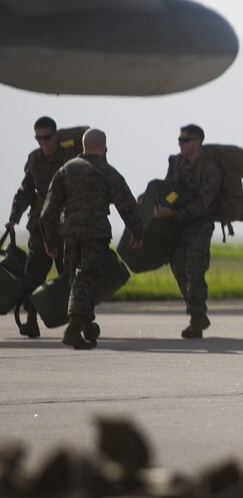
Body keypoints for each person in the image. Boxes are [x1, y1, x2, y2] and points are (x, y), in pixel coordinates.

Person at [39, 129, 143, 350]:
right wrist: (137, 232)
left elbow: (48, 211)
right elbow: (127, 205)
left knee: (75, 281)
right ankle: (73, 329)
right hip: (95, 235)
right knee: (88, 278)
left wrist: (49, 240)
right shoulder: (106, 171)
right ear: (103, 146)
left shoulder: (66, 170)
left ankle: (87, 327)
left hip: (70, 235)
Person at [6, 117, 80, 338]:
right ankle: (31, 320)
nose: (43, 142)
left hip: (65, 226)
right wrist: (13, 217)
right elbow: (25, 190)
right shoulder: (35, 159)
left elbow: (87, 133)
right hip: (40, 227)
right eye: (39, 138)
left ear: (56, 135)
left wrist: (64, 136)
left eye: (47, 137)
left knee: (69, 275)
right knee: (33, 276)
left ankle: (77, 321)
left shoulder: (70, 154)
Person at [155, 124, 222, 340]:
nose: (181, 144)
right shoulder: (177, 163)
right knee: (178, 269)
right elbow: (167, 190)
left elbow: (204, 203)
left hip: (200, 226)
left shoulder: (210, 167)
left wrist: (173, 213)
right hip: (178, 227)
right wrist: (150, 200)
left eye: (185, 140)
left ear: (197, 142)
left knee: (194, 272)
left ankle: (196, 321)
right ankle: (198, 314)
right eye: (179, 140)